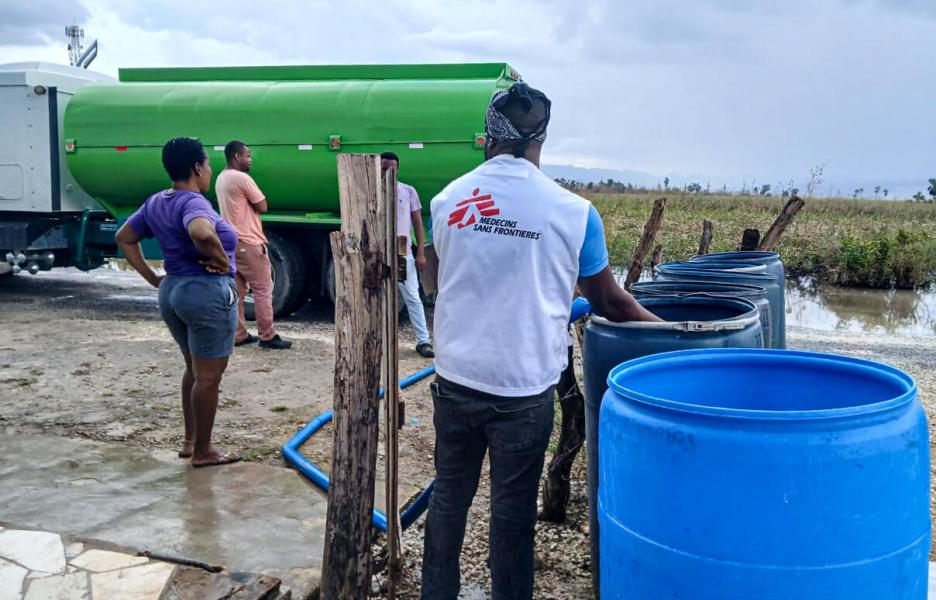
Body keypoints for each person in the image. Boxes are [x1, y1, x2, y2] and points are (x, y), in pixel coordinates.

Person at [422, 84, 662, 599]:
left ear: (487, 138)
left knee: (448, 500)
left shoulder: (447, 200)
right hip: (523, 392)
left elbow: (434, 280)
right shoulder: (573, 212)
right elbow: (611, 303)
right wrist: (669, 332)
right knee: (511, 518)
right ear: (541, 141)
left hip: (455, 380)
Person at [115, 137, 241, 468]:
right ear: (197, 167)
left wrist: (152, 277)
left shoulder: (157, 201)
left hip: (172, 291)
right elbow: (200, 232)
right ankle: (204, 451)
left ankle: (191, 442)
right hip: (205, 293)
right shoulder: (194, 202)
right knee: (209, 377)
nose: (210, 170)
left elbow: (124, 237)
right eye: (208, 165)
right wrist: (222, 260)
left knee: (195, 370)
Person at [216, 140, 291, 350]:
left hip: (231, 241)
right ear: (237, 157)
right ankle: (267, 336)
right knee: (263, 288)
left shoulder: (222, 178)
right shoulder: (241, 178)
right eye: (248, 155)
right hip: (249, 241)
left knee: (238, 291)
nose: (251, 160)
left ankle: (238, 334)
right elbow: (262, 205)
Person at [380, 151, 434, 358]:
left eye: (392, 168)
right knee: (379, 294)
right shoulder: (371, 190)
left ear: (398, 169)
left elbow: (417, 223)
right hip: (377, 250)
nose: (388, 171)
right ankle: (379, 339)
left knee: (410, 294)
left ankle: (423, 341)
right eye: (384, 167)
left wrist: (420, 251)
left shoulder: (407, 191)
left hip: (401, 249)